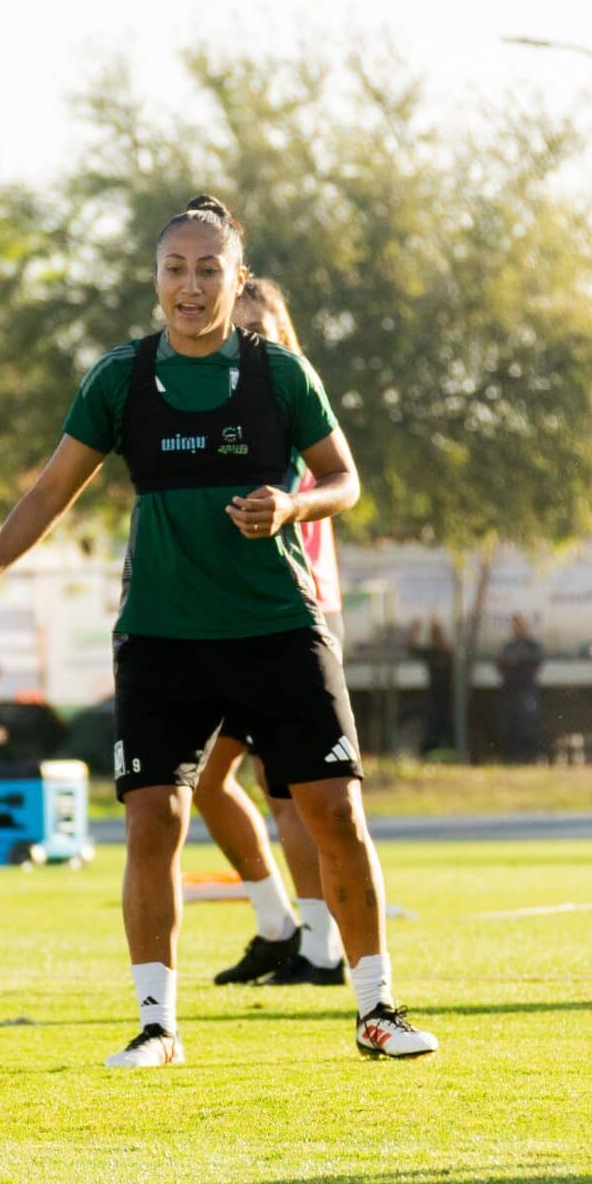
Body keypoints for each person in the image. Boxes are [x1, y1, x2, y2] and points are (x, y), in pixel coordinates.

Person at [0, 195, 437, 1068]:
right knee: (153, 822)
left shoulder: (281, 376)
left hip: (279, 628)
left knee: (336, 813)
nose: (193, 285)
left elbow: (345, 479)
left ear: (237, 279)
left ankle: (377, 1008)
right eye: (177, 269)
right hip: (162, 640)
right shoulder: (117, 380)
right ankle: (157, 1025)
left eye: (211, 269)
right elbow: (51, 492)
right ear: (156, 281)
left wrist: (292, 503)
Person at [193, 279, 344, 988]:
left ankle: (321, 947)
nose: (251, 337)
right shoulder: (216, 401)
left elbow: (339, 484)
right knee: (202, 778)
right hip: (223, 625)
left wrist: (290, 509)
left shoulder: (293, 403)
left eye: (264, 325)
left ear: (287, 334)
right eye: (241, 326)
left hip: (292, 618)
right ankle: (278, 924)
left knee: (291, 793)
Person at [496, 614, 547, 763]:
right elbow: (500, 662)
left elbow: (537, 660)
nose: (516, 629)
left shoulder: (533, 645)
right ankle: (513, 757)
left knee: (530, 723)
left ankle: (535, 756)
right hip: (511, 690)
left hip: (527, 690)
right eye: (514, 626)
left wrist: (516, 661)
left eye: (519, 625)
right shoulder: (508, 646)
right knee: (510, 724)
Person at [418, 621, 457, 757]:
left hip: (447, 697)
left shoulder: (447, 653)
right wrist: (415, 629)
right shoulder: (431, 652)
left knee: (446, 726)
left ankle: (450, 753)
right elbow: (410, 648)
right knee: (433, 726)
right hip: (435, 696)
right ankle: (429, 753)